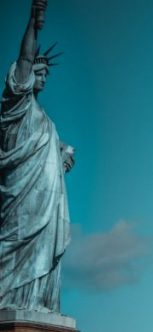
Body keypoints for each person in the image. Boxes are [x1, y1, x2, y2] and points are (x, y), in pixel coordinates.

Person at [0, 0, 73, 313]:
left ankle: (38, 303)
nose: (42, 77)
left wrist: (62, 157)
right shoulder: (16, 105)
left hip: (46, 199)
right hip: (22, 196)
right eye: (37, 73)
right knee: (19, 242)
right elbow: (25, 57)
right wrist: (34, 21)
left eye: (44, 74)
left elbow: (47, 153)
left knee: (42, 246)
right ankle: (11, 301)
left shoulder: (45, 118)